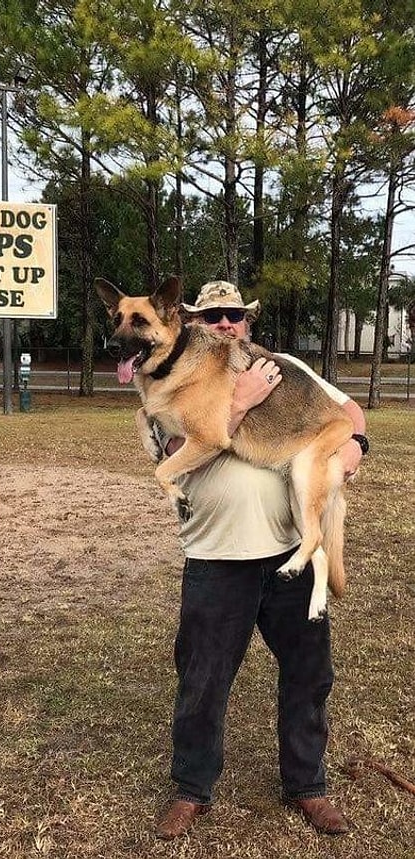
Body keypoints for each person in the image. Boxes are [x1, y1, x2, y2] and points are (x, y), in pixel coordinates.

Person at [154, 281, 367, 841]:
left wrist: (353, 449)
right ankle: (191, 790)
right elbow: (178, 453)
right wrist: (241, 399)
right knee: (203, 679)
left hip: (287, 556)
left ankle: (308, 786)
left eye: (234, 316)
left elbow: (349, 412)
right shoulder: (168, 383)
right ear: (194, 320)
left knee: (309, 673)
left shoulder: (282, 365)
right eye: (213, 316)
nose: (225, 324)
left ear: (247, 323)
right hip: (217, 558)